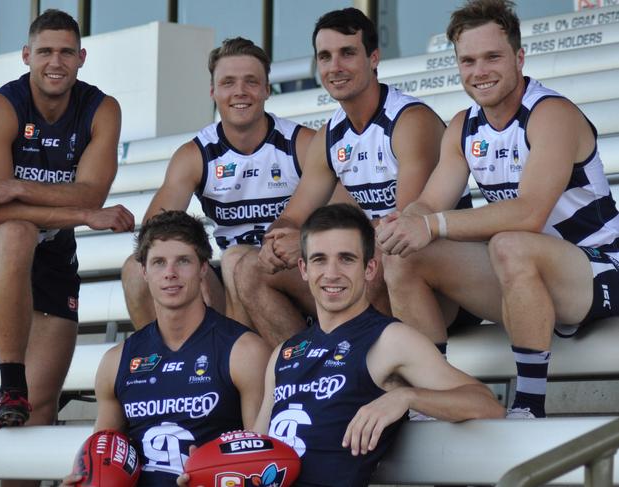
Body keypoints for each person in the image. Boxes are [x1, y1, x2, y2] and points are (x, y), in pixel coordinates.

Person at [375, 0, 619, 419]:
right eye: (468, 60)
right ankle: (431, 396)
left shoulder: (550, 114)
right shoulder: (462, 126)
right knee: (403, 255)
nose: (480, 71)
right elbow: (430, 202)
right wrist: (405, 221)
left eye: (492, 57)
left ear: (519, 58)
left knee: (511, 242)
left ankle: (528, 406)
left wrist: (431, 224)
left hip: (597, 267)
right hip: (524, 274)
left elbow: (529, 214)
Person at [235, 8, 471, 346]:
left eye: (347, 53)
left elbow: (403, 227)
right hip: (373, 269)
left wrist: (304, 237)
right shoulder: (329, 135)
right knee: (249, 269)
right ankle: (310, 370)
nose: (335, 67)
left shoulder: (409, 120)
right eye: (325, 57)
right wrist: (279, 241)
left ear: (373, 58)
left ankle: (363, 376)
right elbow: (292, 216)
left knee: (380, 257)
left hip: (436, 284)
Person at [247, 204, 503, 487]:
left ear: (369, 268)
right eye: (320, 260)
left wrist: (407, 397)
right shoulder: (284, 353)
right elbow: (256, 455)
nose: (331, 273)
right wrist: (206, 471)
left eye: (346, 259)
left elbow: (487, 404)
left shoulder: (391, 339)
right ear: (304, 269)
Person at [0, 9, 134, 434]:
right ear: (26, 55)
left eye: (65, 52)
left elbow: (93, 191)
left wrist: (17, 187)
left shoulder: (101, 109)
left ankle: (20, 402)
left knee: (39, 412)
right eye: (45, 51)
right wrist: (80, 214)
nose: (55, 62)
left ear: (82, 57)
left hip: (55, 260)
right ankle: (10, 383)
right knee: (18, 231)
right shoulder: (2, 104)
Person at [121, 37, 348, 338]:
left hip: (292, 273)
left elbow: (348, 209)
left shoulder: (301, 143)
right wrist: (193, 255)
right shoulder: (195, 155)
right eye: (228, 83)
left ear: (267, 89)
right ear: (213, 92)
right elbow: (153, 232)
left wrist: (305, 243)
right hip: (229, 284)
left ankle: (301, 366)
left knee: (238, 260)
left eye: (251, 82)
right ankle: (167, 371)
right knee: (137, 270)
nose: (240, 92)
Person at [62, 211, 271, 486]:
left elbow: (260, 463)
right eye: (159, 262)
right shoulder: (116, 361)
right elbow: (100, 457)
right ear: (145, 272)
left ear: (203, 268)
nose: (170, 273)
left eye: (183, 261)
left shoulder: (245, 351)